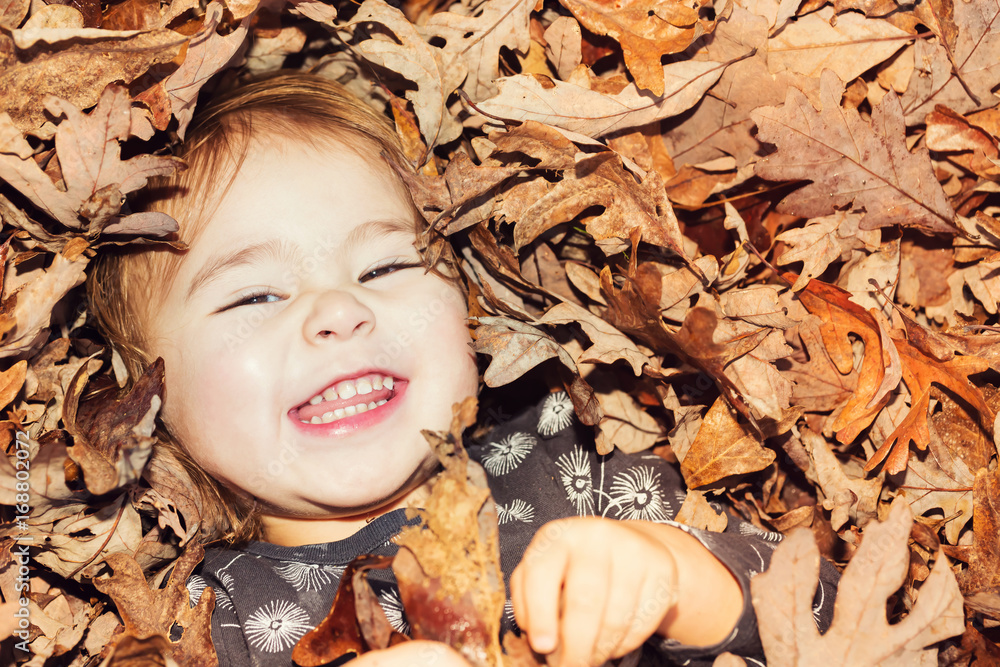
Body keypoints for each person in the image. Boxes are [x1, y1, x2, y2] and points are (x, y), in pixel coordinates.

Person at [87, 72, 838, 667]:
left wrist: (685, 582)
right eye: (254, 294)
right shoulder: (202, 624)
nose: (340, 311)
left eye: (383, 265)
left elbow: (852, 621)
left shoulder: (572, 456)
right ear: (143, 395)